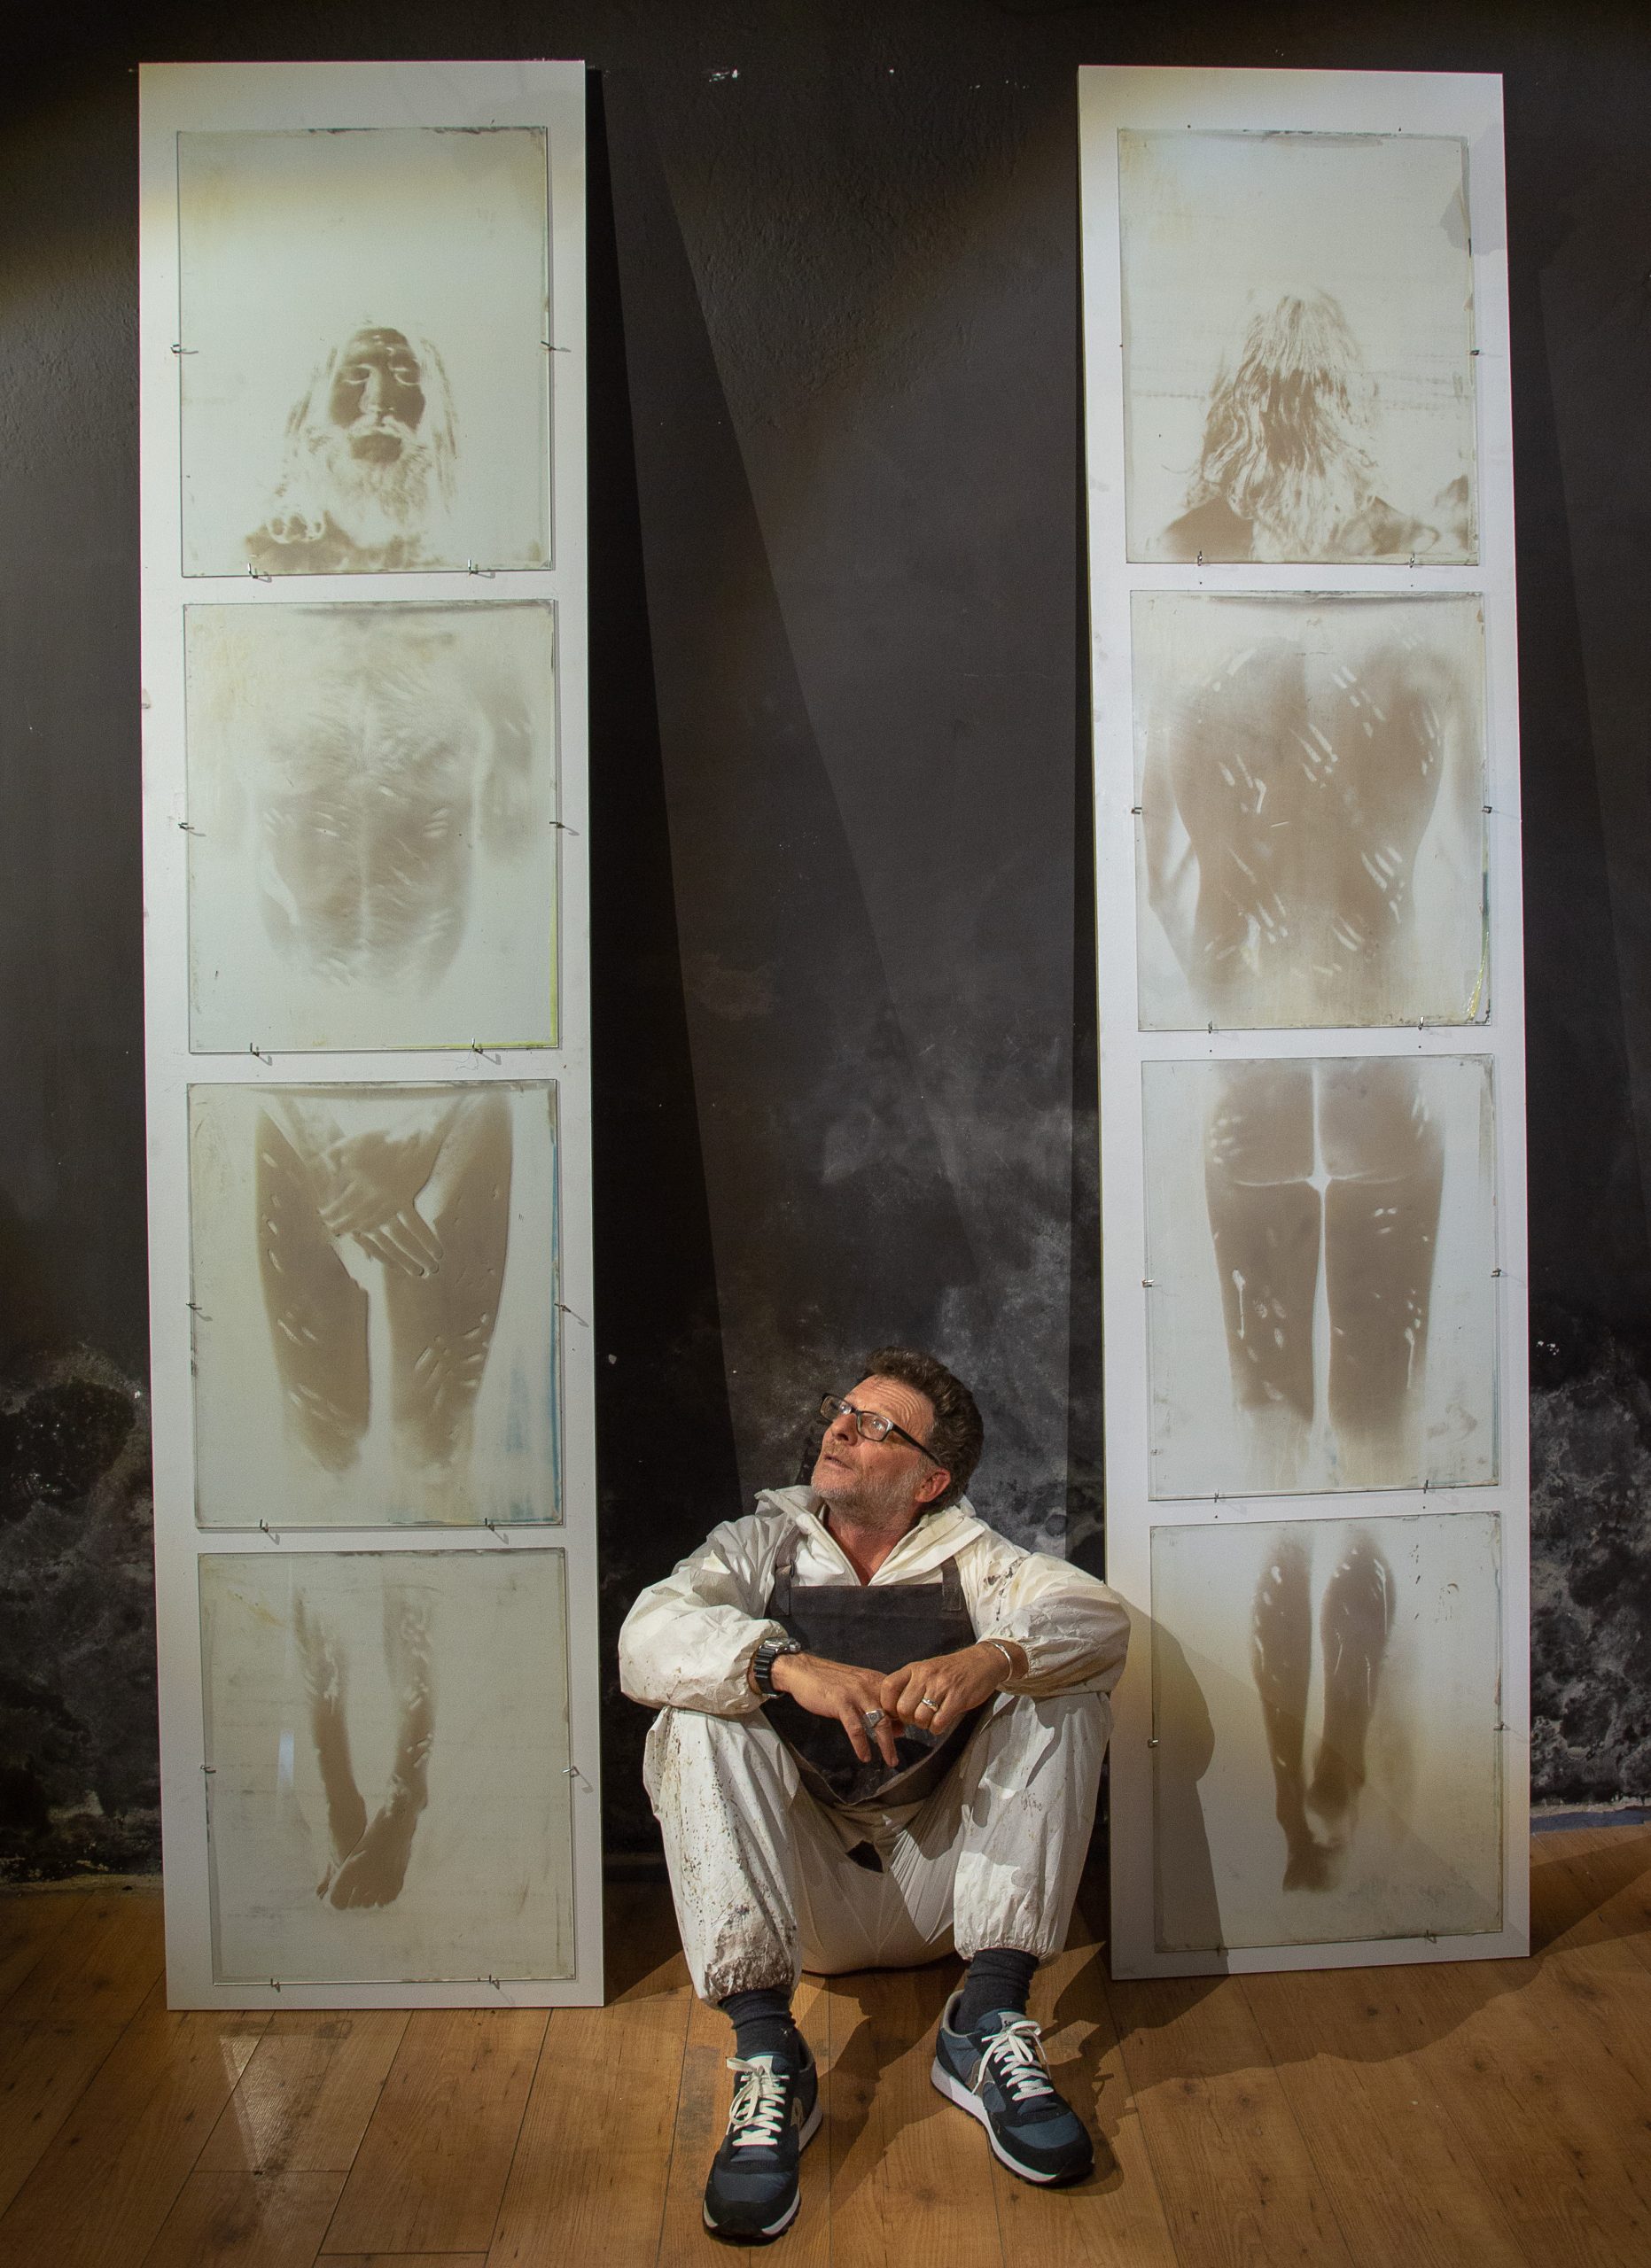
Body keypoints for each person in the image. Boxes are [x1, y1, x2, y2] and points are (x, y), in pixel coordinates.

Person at [619, 1346, 1130, 2243]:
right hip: (800, 1900)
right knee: (698, 1708)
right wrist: (781, 1666)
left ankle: (988, 2018)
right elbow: (646, 1635)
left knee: (1059, 1686)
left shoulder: (976, 1558)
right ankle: (770, 2054)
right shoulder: (758, 1545)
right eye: (842, 1411)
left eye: (877, 1425)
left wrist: (994, 1657)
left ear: (930, 1481)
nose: (841, 1430)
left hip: (947, 1892)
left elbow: (1098, 1617)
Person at [246, 323, 458, 572]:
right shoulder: (263, 557)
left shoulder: (454, 556)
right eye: (357, 375)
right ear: (314, 398)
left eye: (406, 376)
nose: (378, 402)